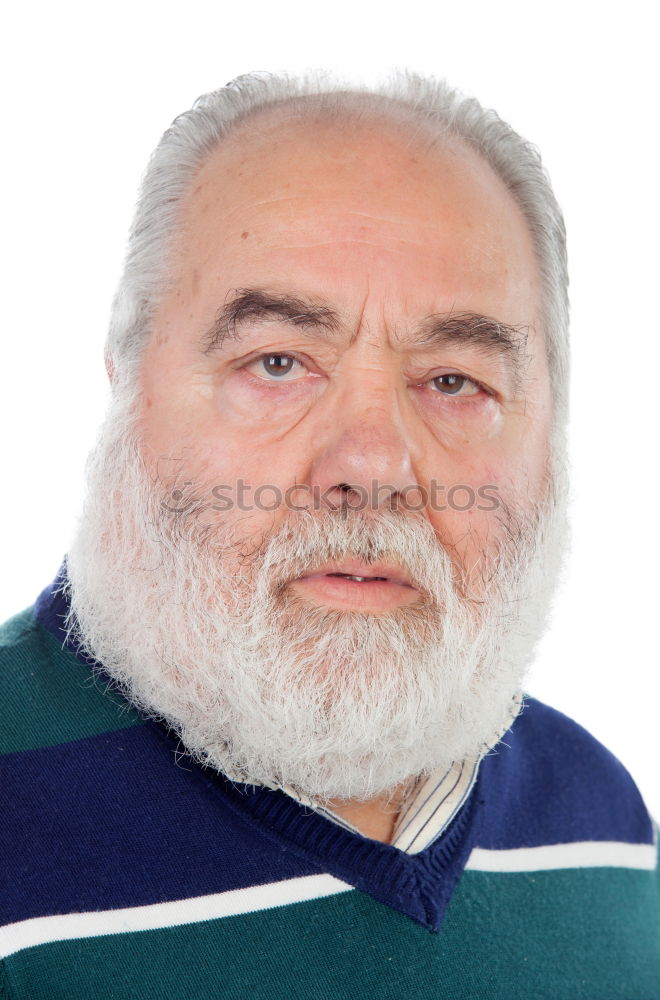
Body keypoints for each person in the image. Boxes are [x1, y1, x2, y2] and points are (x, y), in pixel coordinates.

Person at [1, 70, 658, 998]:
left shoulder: (605, 830)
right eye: (278, 363)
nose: (372, 465)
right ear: (127, 381)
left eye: (452, 381)